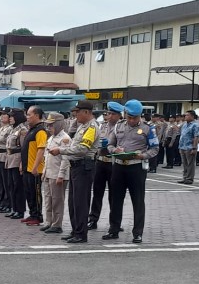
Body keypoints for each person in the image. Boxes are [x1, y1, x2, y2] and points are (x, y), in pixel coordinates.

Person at [102, 99, 159, 244]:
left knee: (138, 201)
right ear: (125, 114)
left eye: (135, 117)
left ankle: (137, 233)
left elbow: (154, 149)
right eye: (129, 117)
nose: (132, 120)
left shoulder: (148, 129)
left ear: (140, 116)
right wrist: (115, 150)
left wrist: (143, 155)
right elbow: (110, 144)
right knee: (116, 200)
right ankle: (113, 229)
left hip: (136, 167)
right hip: (119, 166)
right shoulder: (119, 126)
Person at [49, 100, 99, 244]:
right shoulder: (82, 126)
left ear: (86, 112)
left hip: (84, 167)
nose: (75, 115)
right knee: (73, 201)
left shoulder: (91, 127)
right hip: (76, 166)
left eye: (78, 112)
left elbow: (82, 149)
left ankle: (81, 234)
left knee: (81, 202)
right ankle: (75, 230)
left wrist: (61, 150)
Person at [88, 101, 123, 230]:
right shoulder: (101, 126)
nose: (109, 116)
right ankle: (93, 219)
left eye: (113, 114)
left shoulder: (121, 128)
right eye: (108, 113)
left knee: (114, 195)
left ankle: (114, 222)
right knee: (97, 192)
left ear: (119, 115)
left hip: (114, 163)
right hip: (101, 161)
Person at [40, 112, 70, 234]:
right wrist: (44, 172)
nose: (49, 128)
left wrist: (61, 175)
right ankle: (49, 222)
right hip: (49, 173)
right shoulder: (51, 138)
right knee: (48, 199)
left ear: (58, 124)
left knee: (57, 200)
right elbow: (46, 157)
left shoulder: (65, 139)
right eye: (48, 125)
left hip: (57, 174)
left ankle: (57, 224)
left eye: (51, 125)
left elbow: (65, 158)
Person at [20, 105, 48, 226]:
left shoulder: (40, 130)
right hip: (27, 167)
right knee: (28, 192)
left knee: (35, 193)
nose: (27, 117)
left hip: (35, 169)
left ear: (37, 115)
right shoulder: (31, 129)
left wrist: (36, 167)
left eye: (29, 115)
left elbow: (41, 150)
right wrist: (22, 164)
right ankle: (32, 213)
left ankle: (38, 216)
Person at [4, 108, 28, 219]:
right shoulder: (12, 129)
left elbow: (23, 148)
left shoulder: (22, 129)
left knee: (18, 185)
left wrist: (22, 163)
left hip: (17, 158)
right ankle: (14, 208)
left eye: (12, 116)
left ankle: (20, 210)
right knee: (11, 185)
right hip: (10, 158)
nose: (10, 118)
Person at [0, 108, 13, 213]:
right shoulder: (1, 128)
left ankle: (8, 203)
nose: (2, 116)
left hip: (4, 155)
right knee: (0, 181)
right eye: (2, 115)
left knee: (6, 182)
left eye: (5, 115)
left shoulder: (10, 129)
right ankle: (2, 201)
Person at [178, 110, 199, 185]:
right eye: (185, 115)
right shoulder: (184, 124)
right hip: (183, 146)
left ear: (192, 116)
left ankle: (189, 178)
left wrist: (194, 148)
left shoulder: (195, 125)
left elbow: (196, 137)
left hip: (190, 147)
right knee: (184, 163)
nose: (185, 117)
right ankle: (185, 177)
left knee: (190, 163)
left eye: (187, 115)